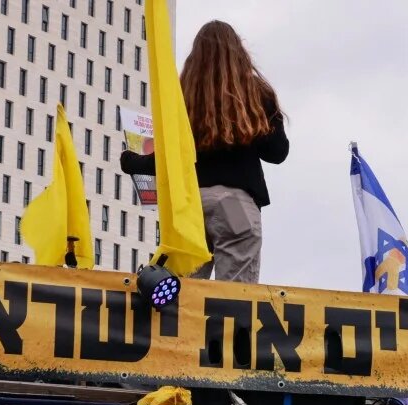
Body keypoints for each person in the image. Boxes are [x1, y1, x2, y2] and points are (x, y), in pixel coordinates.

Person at [119, 22, 287, 283]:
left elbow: (168, 159)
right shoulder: (256, 93)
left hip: (191, 207)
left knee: (186, 296)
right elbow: (277, 152)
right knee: (235, 297)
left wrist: (131, 161)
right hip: (236, 203)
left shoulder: (184, 95)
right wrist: (257, 119)